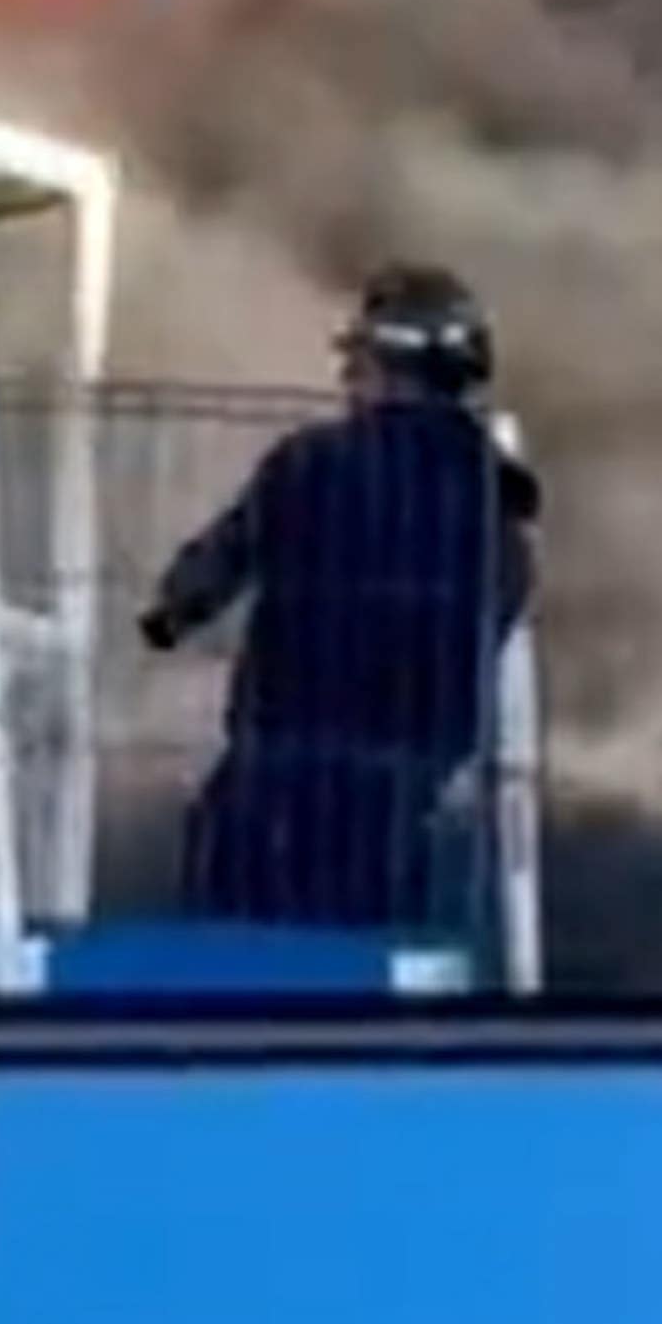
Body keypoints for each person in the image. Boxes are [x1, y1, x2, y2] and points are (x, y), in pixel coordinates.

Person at [139, 263, 540, 933]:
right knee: (376, 942)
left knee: (230, 933)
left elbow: (214, 566)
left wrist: (167, 617)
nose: (348, 381)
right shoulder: (491, 498)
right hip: (408, 778)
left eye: (357, 364)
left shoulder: (311, 464)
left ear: (382, 366)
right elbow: (502, 602)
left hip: (280, 767)